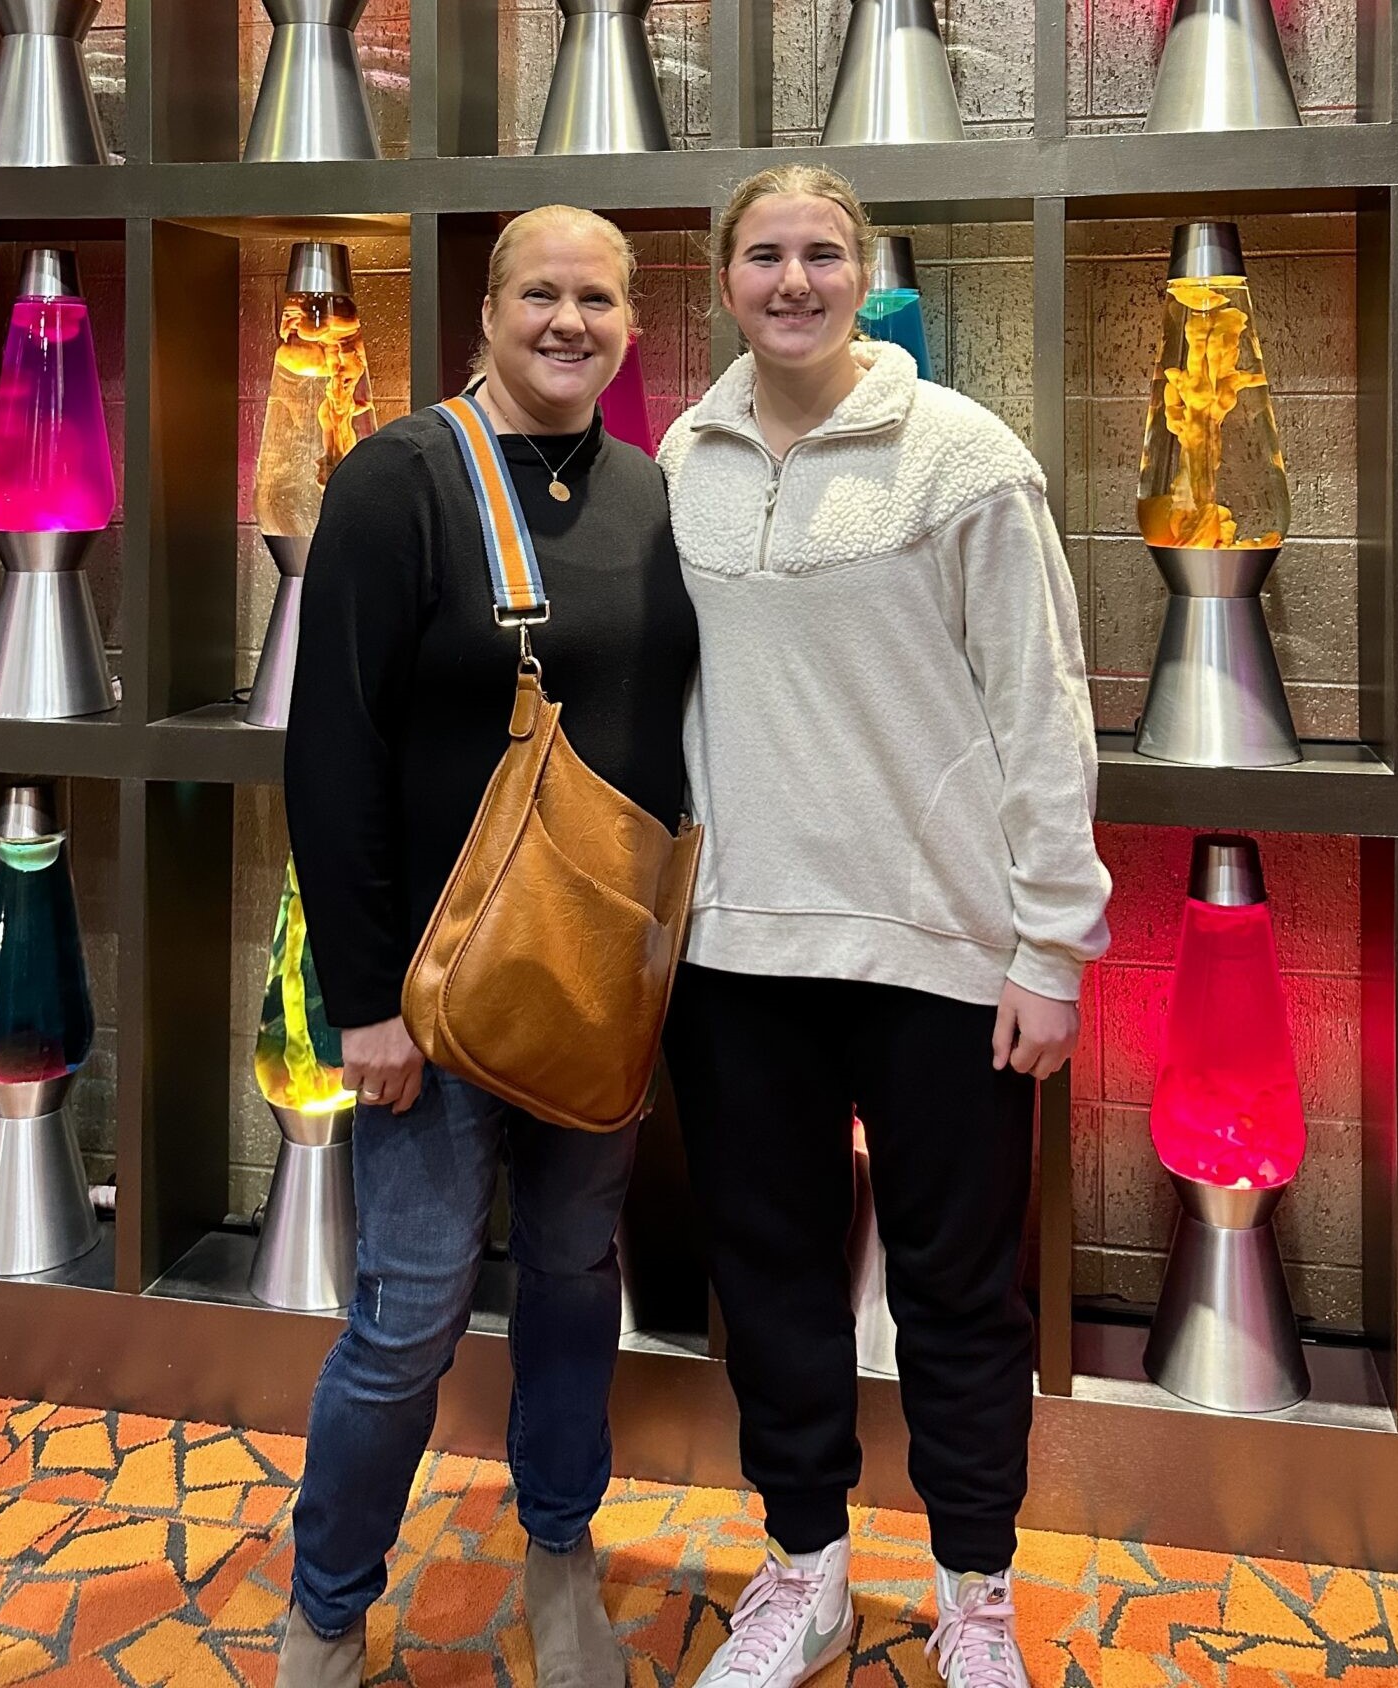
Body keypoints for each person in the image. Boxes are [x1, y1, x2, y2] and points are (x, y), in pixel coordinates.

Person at [657, 164, 1112, 1688]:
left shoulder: (960, 457)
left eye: (822, 255)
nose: (794, 281)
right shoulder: (686, 455)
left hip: (937, 960)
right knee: (772, 1284)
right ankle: (808, 1574)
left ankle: (976, 1592)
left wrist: (1050, 949)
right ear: (723, 277)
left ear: (866, 272)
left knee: (959, 1298)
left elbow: (1042, 713)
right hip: (738, 964)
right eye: (766, 256)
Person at [279, 204, 698, 1688]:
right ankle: (326, 1606)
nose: (567, 322)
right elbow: (330, 753)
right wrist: (363, 1006)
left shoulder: (653, 495)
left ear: (632, 323)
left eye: (596, 298)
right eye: (540, 294)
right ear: (487, 309)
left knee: (579, 1276)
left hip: (592, 991)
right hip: (433, 1004)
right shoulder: (401, 482)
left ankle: (560, 1556)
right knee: (409, 1316)